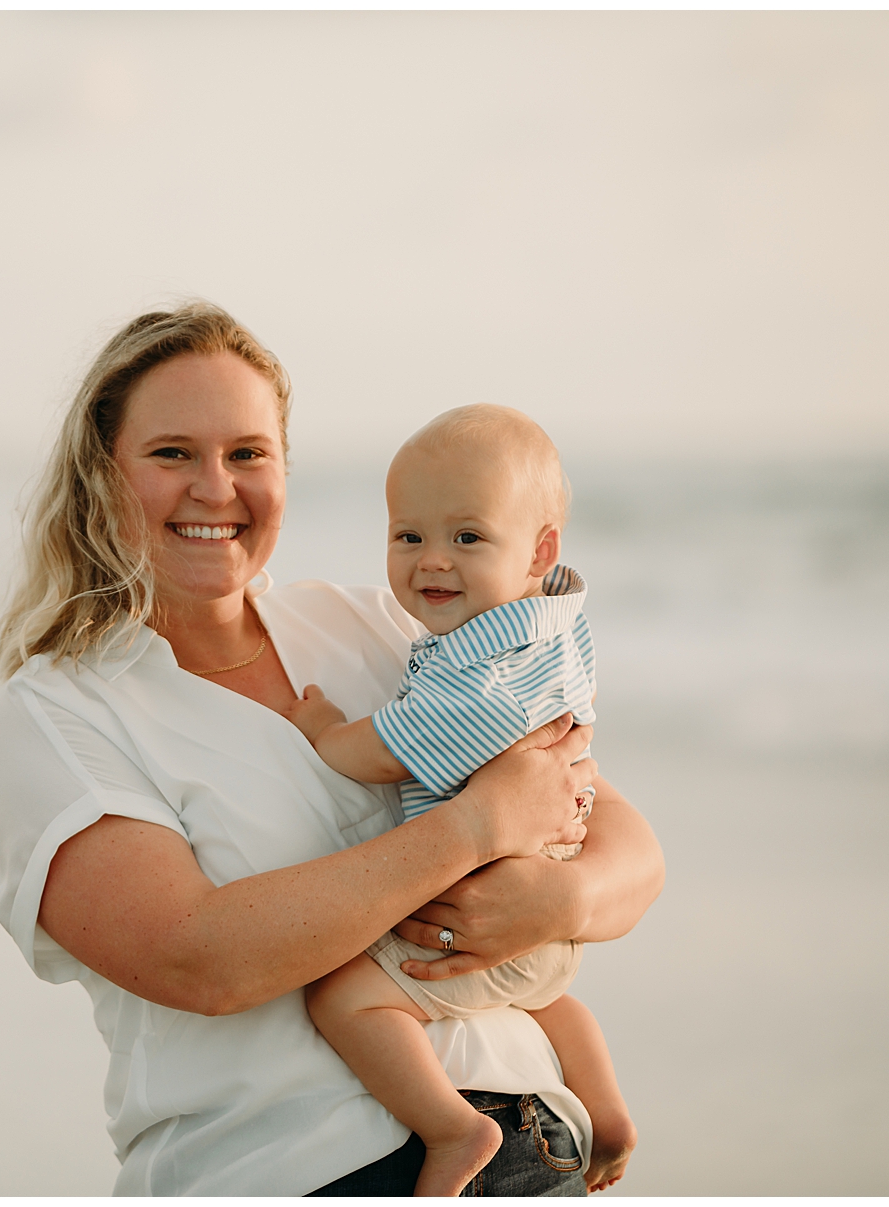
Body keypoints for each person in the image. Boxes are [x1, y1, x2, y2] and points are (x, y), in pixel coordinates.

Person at [0, 302, 664, 1196]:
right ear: (102, 475)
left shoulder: (391, 627)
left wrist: (557, 897)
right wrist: (471, 830)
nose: (216, 488)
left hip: (533, 1150)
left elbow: (628, 851)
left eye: (248, 454)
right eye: (172, 452)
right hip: (288, 1170)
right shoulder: (58, 712)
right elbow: (200, 957)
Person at [285, 405, 634, 1195]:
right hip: (544, 917)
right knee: (548, 997)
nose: (432, 561)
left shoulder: (482, 675)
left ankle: (453, 1128)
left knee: (344, 996)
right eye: (408, 536)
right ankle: (606, 1112)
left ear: (539, 550)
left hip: (489, 909)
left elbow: (386, 749)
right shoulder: (550, 629)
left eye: (467, 538)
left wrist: (323, 727)